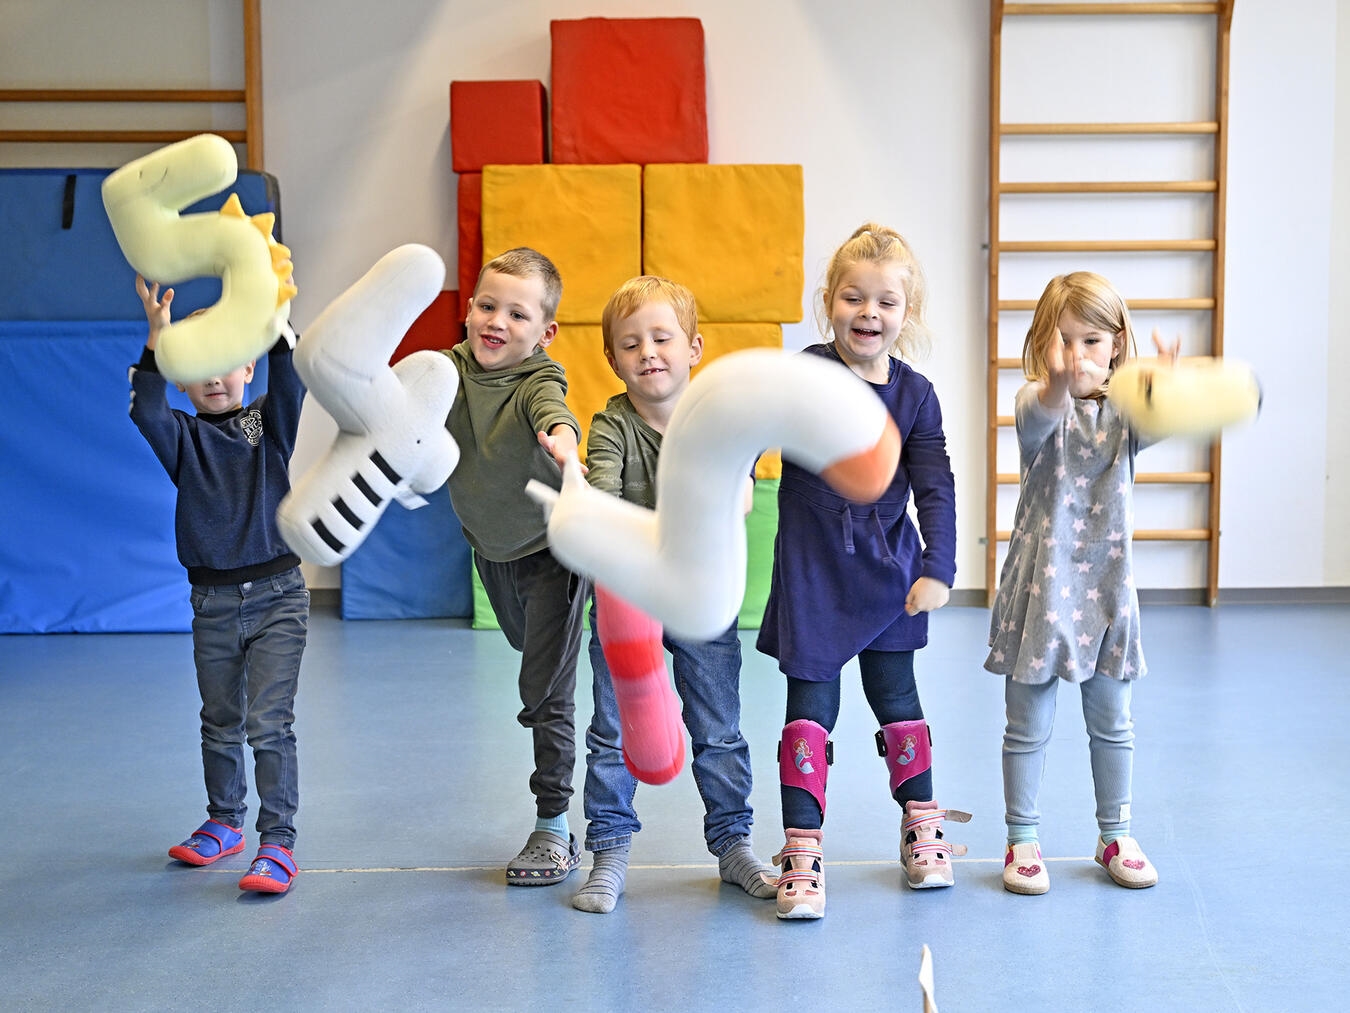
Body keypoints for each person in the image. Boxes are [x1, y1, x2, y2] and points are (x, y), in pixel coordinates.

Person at [757, 223, 963, 920]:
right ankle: (803, 851)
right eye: (853, 297)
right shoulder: (806, 374)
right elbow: (750, 421)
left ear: (907, 314)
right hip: (813, 575)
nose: (868, 313)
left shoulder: (917, 396)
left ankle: (922, 824)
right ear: (829, 302)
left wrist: (939, 564)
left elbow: (934, 484)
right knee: (808, 712)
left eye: (885, 302)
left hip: (887, 575)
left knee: (898, 700)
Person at [569, 276, 776, 914]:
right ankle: (608, 850)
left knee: (719, 727)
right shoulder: (611, 425)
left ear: (694, 347)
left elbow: (739, 484)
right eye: (631, 344)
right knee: (611, 729)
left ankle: (733, 843)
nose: (647, 352)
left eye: (662, 338)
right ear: (612, 358)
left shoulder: (716, 418)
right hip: (629, 600)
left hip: (701, 596)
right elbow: (603, 499)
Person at [987, 271, 1175, 896]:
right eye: (1062, 341)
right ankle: (1022, 838)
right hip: (1043, 587)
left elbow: (1159, 421)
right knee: (1028, 722)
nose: (1078, 356)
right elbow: (1039, 415)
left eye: (1091, 341)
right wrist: (1056, 385)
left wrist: (1165, 389)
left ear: (1117, 345)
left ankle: (1115, 832)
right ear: (1042, 345)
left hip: (1107, 586)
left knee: (1113, 721)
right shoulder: (1033, 403)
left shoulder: (1125, 414)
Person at [130, 275, 308, 896]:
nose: (213, 376)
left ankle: (278, 841)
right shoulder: (183, 437)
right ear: (182, 377)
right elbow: (145, 409)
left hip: (279, 596)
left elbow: (292, 378)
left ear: (248, 366)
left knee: (269, 722)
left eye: (226, 360)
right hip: (211, 603)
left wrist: (276, 314)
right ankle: (224, 821)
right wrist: (158, 339)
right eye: (198, 365)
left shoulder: (266, 428)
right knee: (220, 718)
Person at [444, 248, 590, 886]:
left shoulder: (537, 379)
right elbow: (395, 395)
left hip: (551, 552)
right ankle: (553, 813)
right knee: (530, 661)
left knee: (546, 692)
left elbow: (554, 414)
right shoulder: (447, 369)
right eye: (486, 305)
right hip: (492, 550)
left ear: (544, 333)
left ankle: (554, 826)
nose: (495, 321)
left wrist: (564, 446)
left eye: (516, 313)